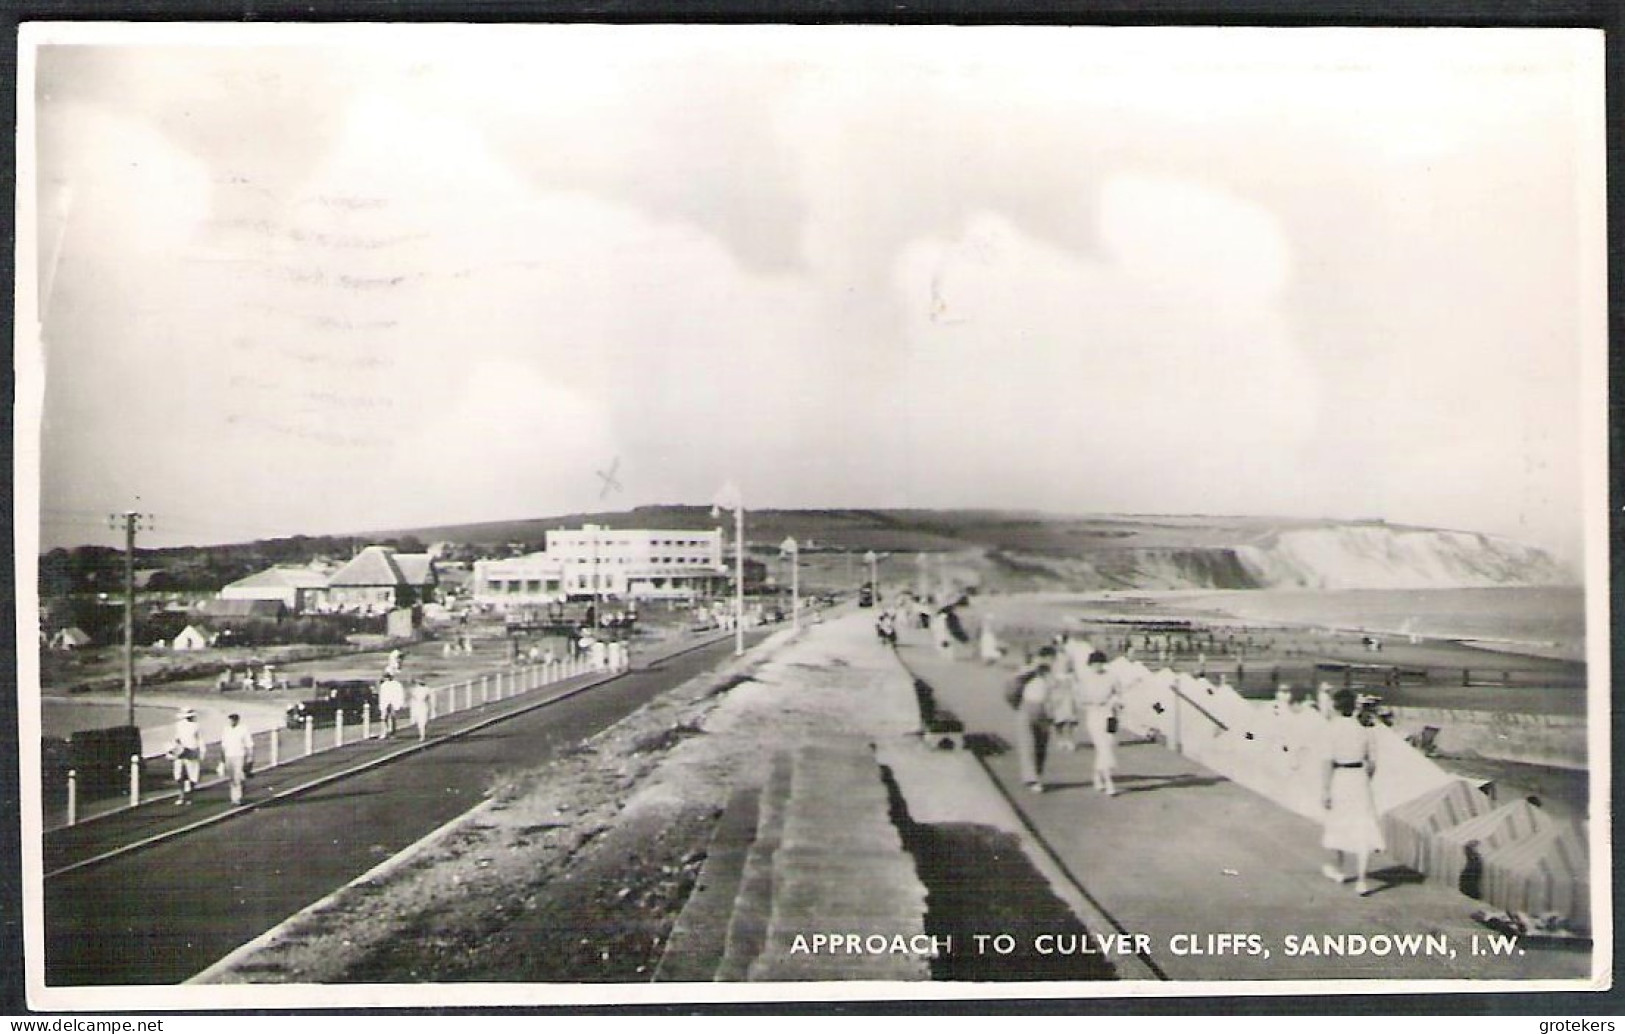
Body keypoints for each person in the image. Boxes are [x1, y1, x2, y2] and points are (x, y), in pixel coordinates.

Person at [1321, 688, 1385, 895]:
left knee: (1339, 821)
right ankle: (1362, 880)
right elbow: (1373, 763)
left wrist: (1325, 790)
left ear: (1336, 706)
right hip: (1359, 778)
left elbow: (1327, 761)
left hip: (1341, 777)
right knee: (1362, 825)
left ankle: (1339, 869)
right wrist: (1365, 780)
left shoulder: (1331, 729)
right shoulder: (1365, 730)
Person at [1005, 648, 1057, 794]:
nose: (1051, 661)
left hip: (1044, 710)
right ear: (1042, 657)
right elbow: (1011, 686)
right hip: (1027, 708)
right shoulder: (1028, 671)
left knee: (1041, 745)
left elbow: (1055, 691)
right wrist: (1033, 668)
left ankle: (1037, 776)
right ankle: (1031, 779)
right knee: (1028, 744)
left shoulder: (1050, 674)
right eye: (1049, 658)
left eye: (1053, 659)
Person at [1074, 650, 1124, 795]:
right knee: (1103, 747)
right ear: (1090, 665)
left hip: (1111, 716)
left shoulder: (1112, 677)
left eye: (1100, 663)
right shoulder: (1085, 679)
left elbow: (1119, 695)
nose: (1097, 666)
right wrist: (1092, 703)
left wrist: (1115, 702)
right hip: (1094, 715)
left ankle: (1097, 776)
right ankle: (1109, 782)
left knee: (1108, 746)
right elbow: (1080, 701)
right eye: (1094, 664)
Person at [169, 708, 205, 805]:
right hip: (181, 752)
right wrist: (174, 748)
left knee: (192, 775)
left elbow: (200, 739)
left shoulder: (196, 726)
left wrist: (202, 752)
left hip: (192, 751)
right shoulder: (179, 725)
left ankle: (190, 796)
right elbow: (176, 738)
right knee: (179, 774)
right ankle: (182, 795)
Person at [219, 712, 255, 805]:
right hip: (228, 755)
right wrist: (222, 758)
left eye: (233, 720)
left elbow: (249, 744)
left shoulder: (243, 729)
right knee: (232, 778)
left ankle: (238, 797)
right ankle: (234, 798)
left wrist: (250, 756)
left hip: (239, 755)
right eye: (230, 720)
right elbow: (223, 745)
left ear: (237, 720)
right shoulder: (226, 730)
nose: (231, 722)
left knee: (239, 777)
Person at [378, 673, 407, 738]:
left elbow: (400, 693)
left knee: (392, 717)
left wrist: (400, 703)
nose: (386, 679)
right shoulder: (383, 685)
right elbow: (382, 696)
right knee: (384, 718)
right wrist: (381, 704)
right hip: (385, 703)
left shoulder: (396, 684)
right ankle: (384, 732)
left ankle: (392, 732)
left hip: (393, 702)